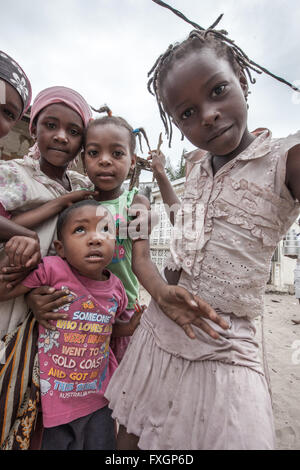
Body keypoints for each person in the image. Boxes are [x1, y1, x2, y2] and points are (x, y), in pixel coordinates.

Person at [104, 3, 300, 450]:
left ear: (244, 82)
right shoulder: (195, 164)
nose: (207, 114)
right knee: (131, 437)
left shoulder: (283, 160)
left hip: (224, 343)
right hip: (160, 324)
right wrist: (156, 185)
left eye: (217, 90)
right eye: (187, 113)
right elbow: (187, 221)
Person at [79, 110, 227, 363]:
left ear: (132, 161)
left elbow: (142, 260)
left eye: (117, 153)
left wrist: (161, 293)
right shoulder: (77, 202)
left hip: (121, 312)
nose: (104, 160)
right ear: (83, 159)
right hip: (79, 312)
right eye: (94, 153)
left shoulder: (135, 202)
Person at [0, 199, 142, 450]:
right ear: (60, 248)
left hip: (99, 400)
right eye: (80, 230)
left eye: (105, 230)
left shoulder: (116, 288)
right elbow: (4, 290)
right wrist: (15, 259)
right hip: (54, 404)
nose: (95, 239)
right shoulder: (53, 269)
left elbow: (106, 328)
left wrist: (129, 328)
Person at [0, 85, 97, 449]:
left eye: (74, 132)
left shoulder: (83, 186)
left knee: (36, 415)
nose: (61, 136)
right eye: (51, 125)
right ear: (34, 127)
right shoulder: (13, 174)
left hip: (56, 316)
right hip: (9, 307)